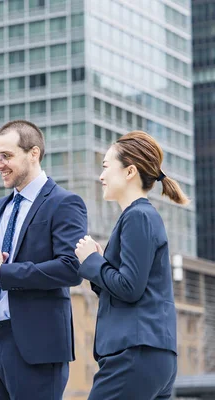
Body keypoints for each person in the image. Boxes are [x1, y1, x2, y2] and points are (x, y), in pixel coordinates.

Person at [0, 120, 88, 400]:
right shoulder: (0, 207)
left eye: (6, 156)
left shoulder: (64, 203)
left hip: (38, 347)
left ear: (33, 153)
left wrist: (4, 272)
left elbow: (72, 268)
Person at [75, 131, 184, 399]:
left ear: (129, 172)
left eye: (105, 167)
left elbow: (129, 288)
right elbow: (131, 286)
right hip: (151, 354)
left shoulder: (138, 217)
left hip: (134, 355)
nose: (101, 176)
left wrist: (92, 261)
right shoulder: (140, 217)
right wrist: (99, 265)